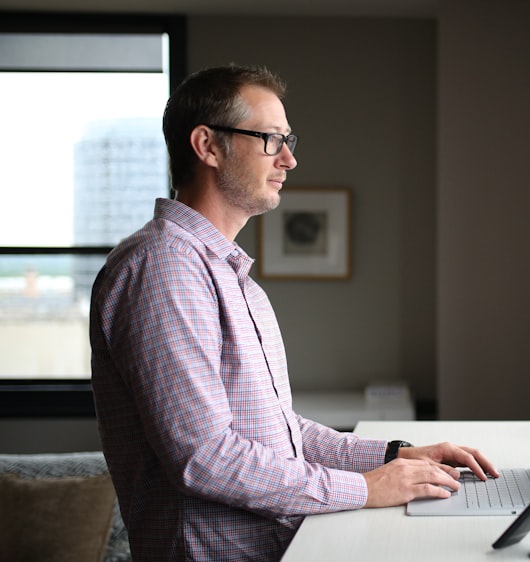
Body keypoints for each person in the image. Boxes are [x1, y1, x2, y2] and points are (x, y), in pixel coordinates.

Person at [90, 64, 498, 562]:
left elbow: (284, 433)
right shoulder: (163, 269)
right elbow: (205, 459)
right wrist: (367, 489)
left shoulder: (227, 275)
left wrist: (394, 456)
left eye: (288, 139)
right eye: (270, 139)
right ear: (207, 146)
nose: (289, 158)